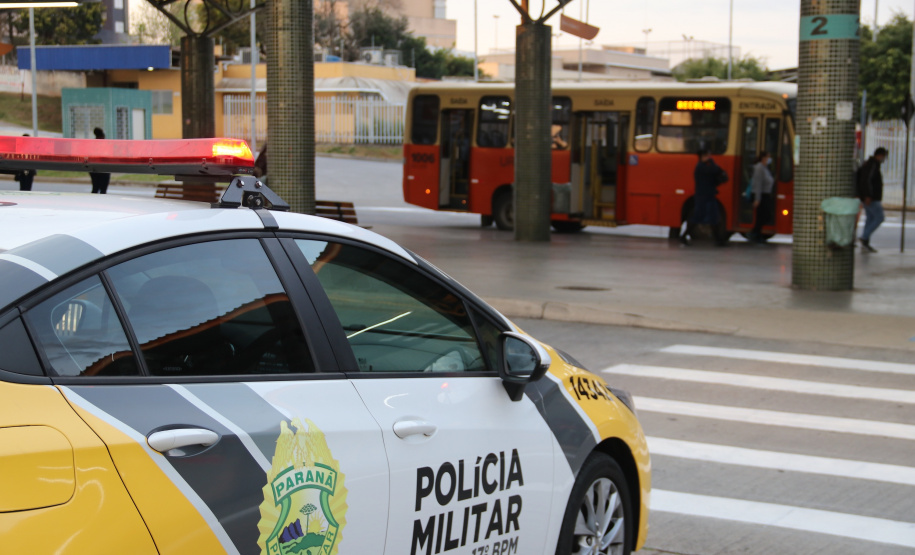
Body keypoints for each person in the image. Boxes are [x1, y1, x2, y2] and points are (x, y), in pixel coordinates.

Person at [682, 148, 728, 246]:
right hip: (703, 196)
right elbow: (715, 170)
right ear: (702, 157)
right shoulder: (701, 167)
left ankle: (719, 240)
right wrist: (713, 163)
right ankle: (683, 236)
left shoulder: (705, 167)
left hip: (708, 195)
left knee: (713, 217)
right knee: (699, 217)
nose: (709, 157)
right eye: (707, 156)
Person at [857, 147, 888, 253]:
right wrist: (868, 195)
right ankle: (864, 237)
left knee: (870, 218)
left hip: (870, 197)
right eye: (883, 156)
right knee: (879, 217)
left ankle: (865, 241)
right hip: (871, 197)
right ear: (880, 155)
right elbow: (866, 181)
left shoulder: (871, 164)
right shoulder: (872, 165)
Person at [748, 151, 775, 243]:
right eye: (768, 157)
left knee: (763, 216)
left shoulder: (765, 168)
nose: (769, 159)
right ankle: (755, 234)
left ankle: (756, 234)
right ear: (763, 158)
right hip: (761, 195)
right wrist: (757, 199)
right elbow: (758, 184)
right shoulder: (759, 168)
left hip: (766, 194)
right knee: (763, 216)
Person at [89, 127, 111, 194]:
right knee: (103, 190)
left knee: (95, 188)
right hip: (104, 168)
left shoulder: (92, 143)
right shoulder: (105, 144)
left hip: (94, 168)